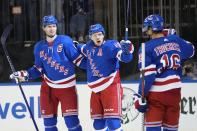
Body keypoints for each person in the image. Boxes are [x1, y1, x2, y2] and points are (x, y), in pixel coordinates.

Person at [10, 15, 86, 131]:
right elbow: (38, 69)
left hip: (67, 88)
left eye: (54, 26)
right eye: (49, 26)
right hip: (48, 89)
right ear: (43, 28)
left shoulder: (65, 41)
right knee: (49, 125)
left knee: (72, 124)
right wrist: (24, 75)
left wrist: (96, 64)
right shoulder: (39, 47)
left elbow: (79, 61)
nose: (52, 29)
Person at [133, 14, 195, 131]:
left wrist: (140, 95)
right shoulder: (175, 40)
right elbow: (191, 50)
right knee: (171, 128)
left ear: (151, 29)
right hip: (175, 93)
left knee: (153, 128)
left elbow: (148, 76)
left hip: (157, 95)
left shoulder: (146, 47)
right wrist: (171, 36)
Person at [76, 23, 134, 131]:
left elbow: (125, 58)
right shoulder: (88, 47)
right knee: (98, 125)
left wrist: (128, 50)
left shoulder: (111, 46)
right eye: (94, 35)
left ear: (103, 35)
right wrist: (73, 44)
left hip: (111, 86)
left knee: (113, 123)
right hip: (95, 90)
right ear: (90, 37)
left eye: (99, 34)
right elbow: (80, 47)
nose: (97, 37)